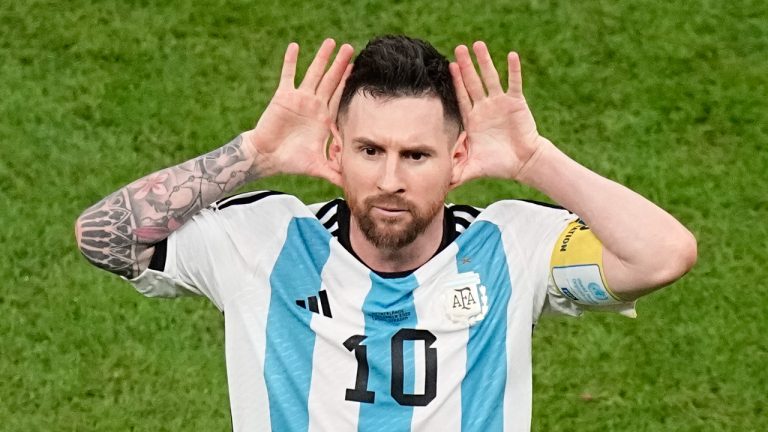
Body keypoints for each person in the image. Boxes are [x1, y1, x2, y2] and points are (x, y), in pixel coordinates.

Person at [75, 35, 697, 431]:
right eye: (370, 150)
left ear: (457, 159)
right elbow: (103, 236)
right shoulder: (263, 241)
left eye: (417, 155)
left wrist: (535, 161)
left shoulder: (513, 246)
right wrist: (253, 154)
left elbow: (662, 256)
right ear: (337, 150)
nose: (391, 179)